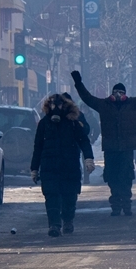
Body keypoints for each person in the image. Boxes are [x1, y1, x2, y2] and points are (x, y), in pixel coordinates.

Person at [72, 67, 136, 216]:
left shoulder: (133, 104)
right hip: (111, 148)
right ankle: (115, 206)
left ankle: (126, 205)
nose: (118, 94)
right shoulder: (104, 105)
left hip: (126, 148)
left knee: (126, 178)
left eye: (121, 92)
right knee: (112, 178)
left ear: (125, 94)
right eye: (116, 92)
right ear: (112, 94)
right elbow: (87, 98)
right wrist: (78, 83)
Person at [30, 93, 95, 237]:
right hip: (49, 166)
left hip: (69, 166)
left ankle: (68, 220)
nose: (56, 108)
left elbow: (84, 141)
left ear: (65, 105)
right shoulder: (44, 123)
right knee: (51, 196)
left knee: (69, 196)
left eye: (58, 105)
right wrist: (34, 168)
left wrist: (88, 158)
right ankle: (54, 224)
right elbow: (38, 147)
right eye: (53, 104)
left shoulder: (73, 122)